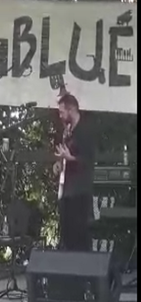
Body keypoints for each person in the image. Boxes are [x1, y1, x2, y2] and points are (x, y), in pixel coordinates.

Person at [54, 94, 95, 251]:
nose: (60, 116)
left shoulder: (85, 131)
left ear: (71, 109)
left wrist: (70, 158)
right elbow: (65, 155)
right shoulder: (68, 131)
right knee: (67, 233)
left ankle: (83, 270)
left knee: (80, 234)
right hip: (67, 190)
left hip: (81, 191)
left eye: (62, 112)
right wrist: (59, 163)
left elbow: (88, 160)